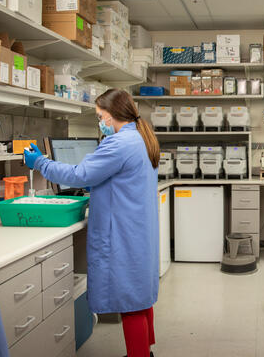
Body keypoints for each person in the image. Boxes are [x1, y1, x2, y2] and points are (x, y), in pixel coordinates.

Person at [24, 89, 160, 357]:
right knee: (140, 296)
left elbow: (79, 174)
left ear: (111, 116)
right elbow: (110, 176)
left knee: (130, 303)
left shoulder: (119, 143)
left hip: (123, 234)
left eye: (100, 116)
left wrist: (40, 162)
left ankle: (139, 355)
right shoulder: (141, 138)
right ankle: (145, 351)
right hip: (138, 232)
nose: (99, 121)